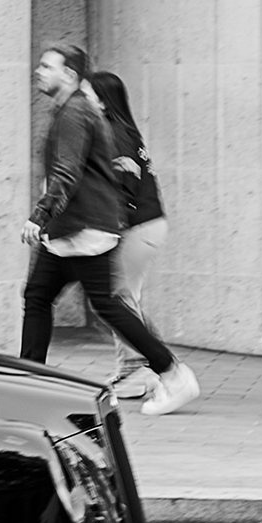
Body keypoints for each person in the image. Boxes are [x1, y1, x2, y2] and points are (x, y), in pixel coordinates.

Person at [19, 44, 198, 407]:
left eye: (46, 66)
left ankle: (173, 373)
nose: (39, 71)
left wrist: (39, 215)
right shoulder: (72, 110)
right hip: (72, 230)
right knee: (41, 297)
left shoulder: (73, 112)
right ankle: (29, 383)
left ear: (69, 75)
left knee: (106, 305)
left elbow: (66, 172)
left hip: (83, 230)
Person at [85, 58, 171, 325]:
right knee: (122, 298)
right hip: (146, 224)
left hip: (139, 226)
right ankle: (150, 361)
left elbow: (125, 184)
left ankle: (144, 363)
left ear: (101, 102)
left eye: (84, 95)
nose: (79, 101)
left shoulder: (115, 133)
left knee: (120, 299)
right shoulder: (118, 130)